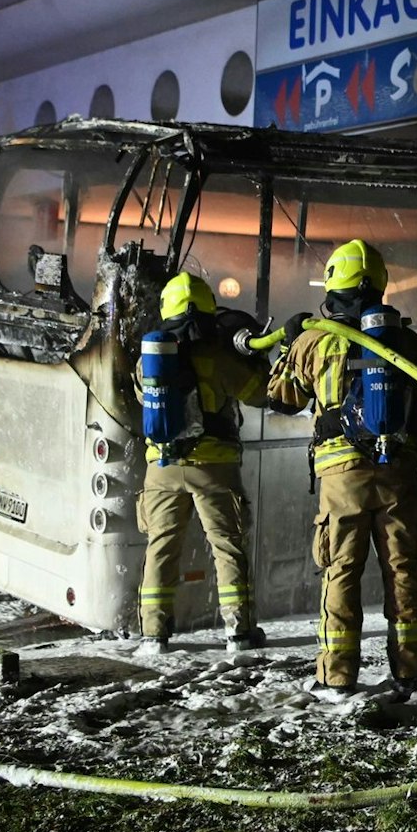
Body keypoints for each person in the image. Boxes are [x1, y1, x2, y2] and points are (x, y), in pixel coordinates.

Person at [268, 239, 417, 696]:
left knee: (341, 570)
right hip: (398, 471)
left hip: (340, 475)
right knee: (403, 570)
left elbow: (281, 399)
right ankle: (409, 671)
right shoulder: (405, 341)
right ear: (380, 283)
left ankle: (336, 676)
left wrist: (288, 343)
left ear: (333, 285)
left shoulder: (314, 339)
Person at [135, 273, 269, 656]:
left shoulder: (149, 361)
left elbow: (143, 402)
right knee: (227, 546)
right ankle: (239, 633)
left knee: (161, 547)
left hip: (161, 466)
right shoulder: (217, 357)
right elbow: (260, 393)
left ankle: (153, 635)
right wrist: (254, 357)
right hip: (214, 465)